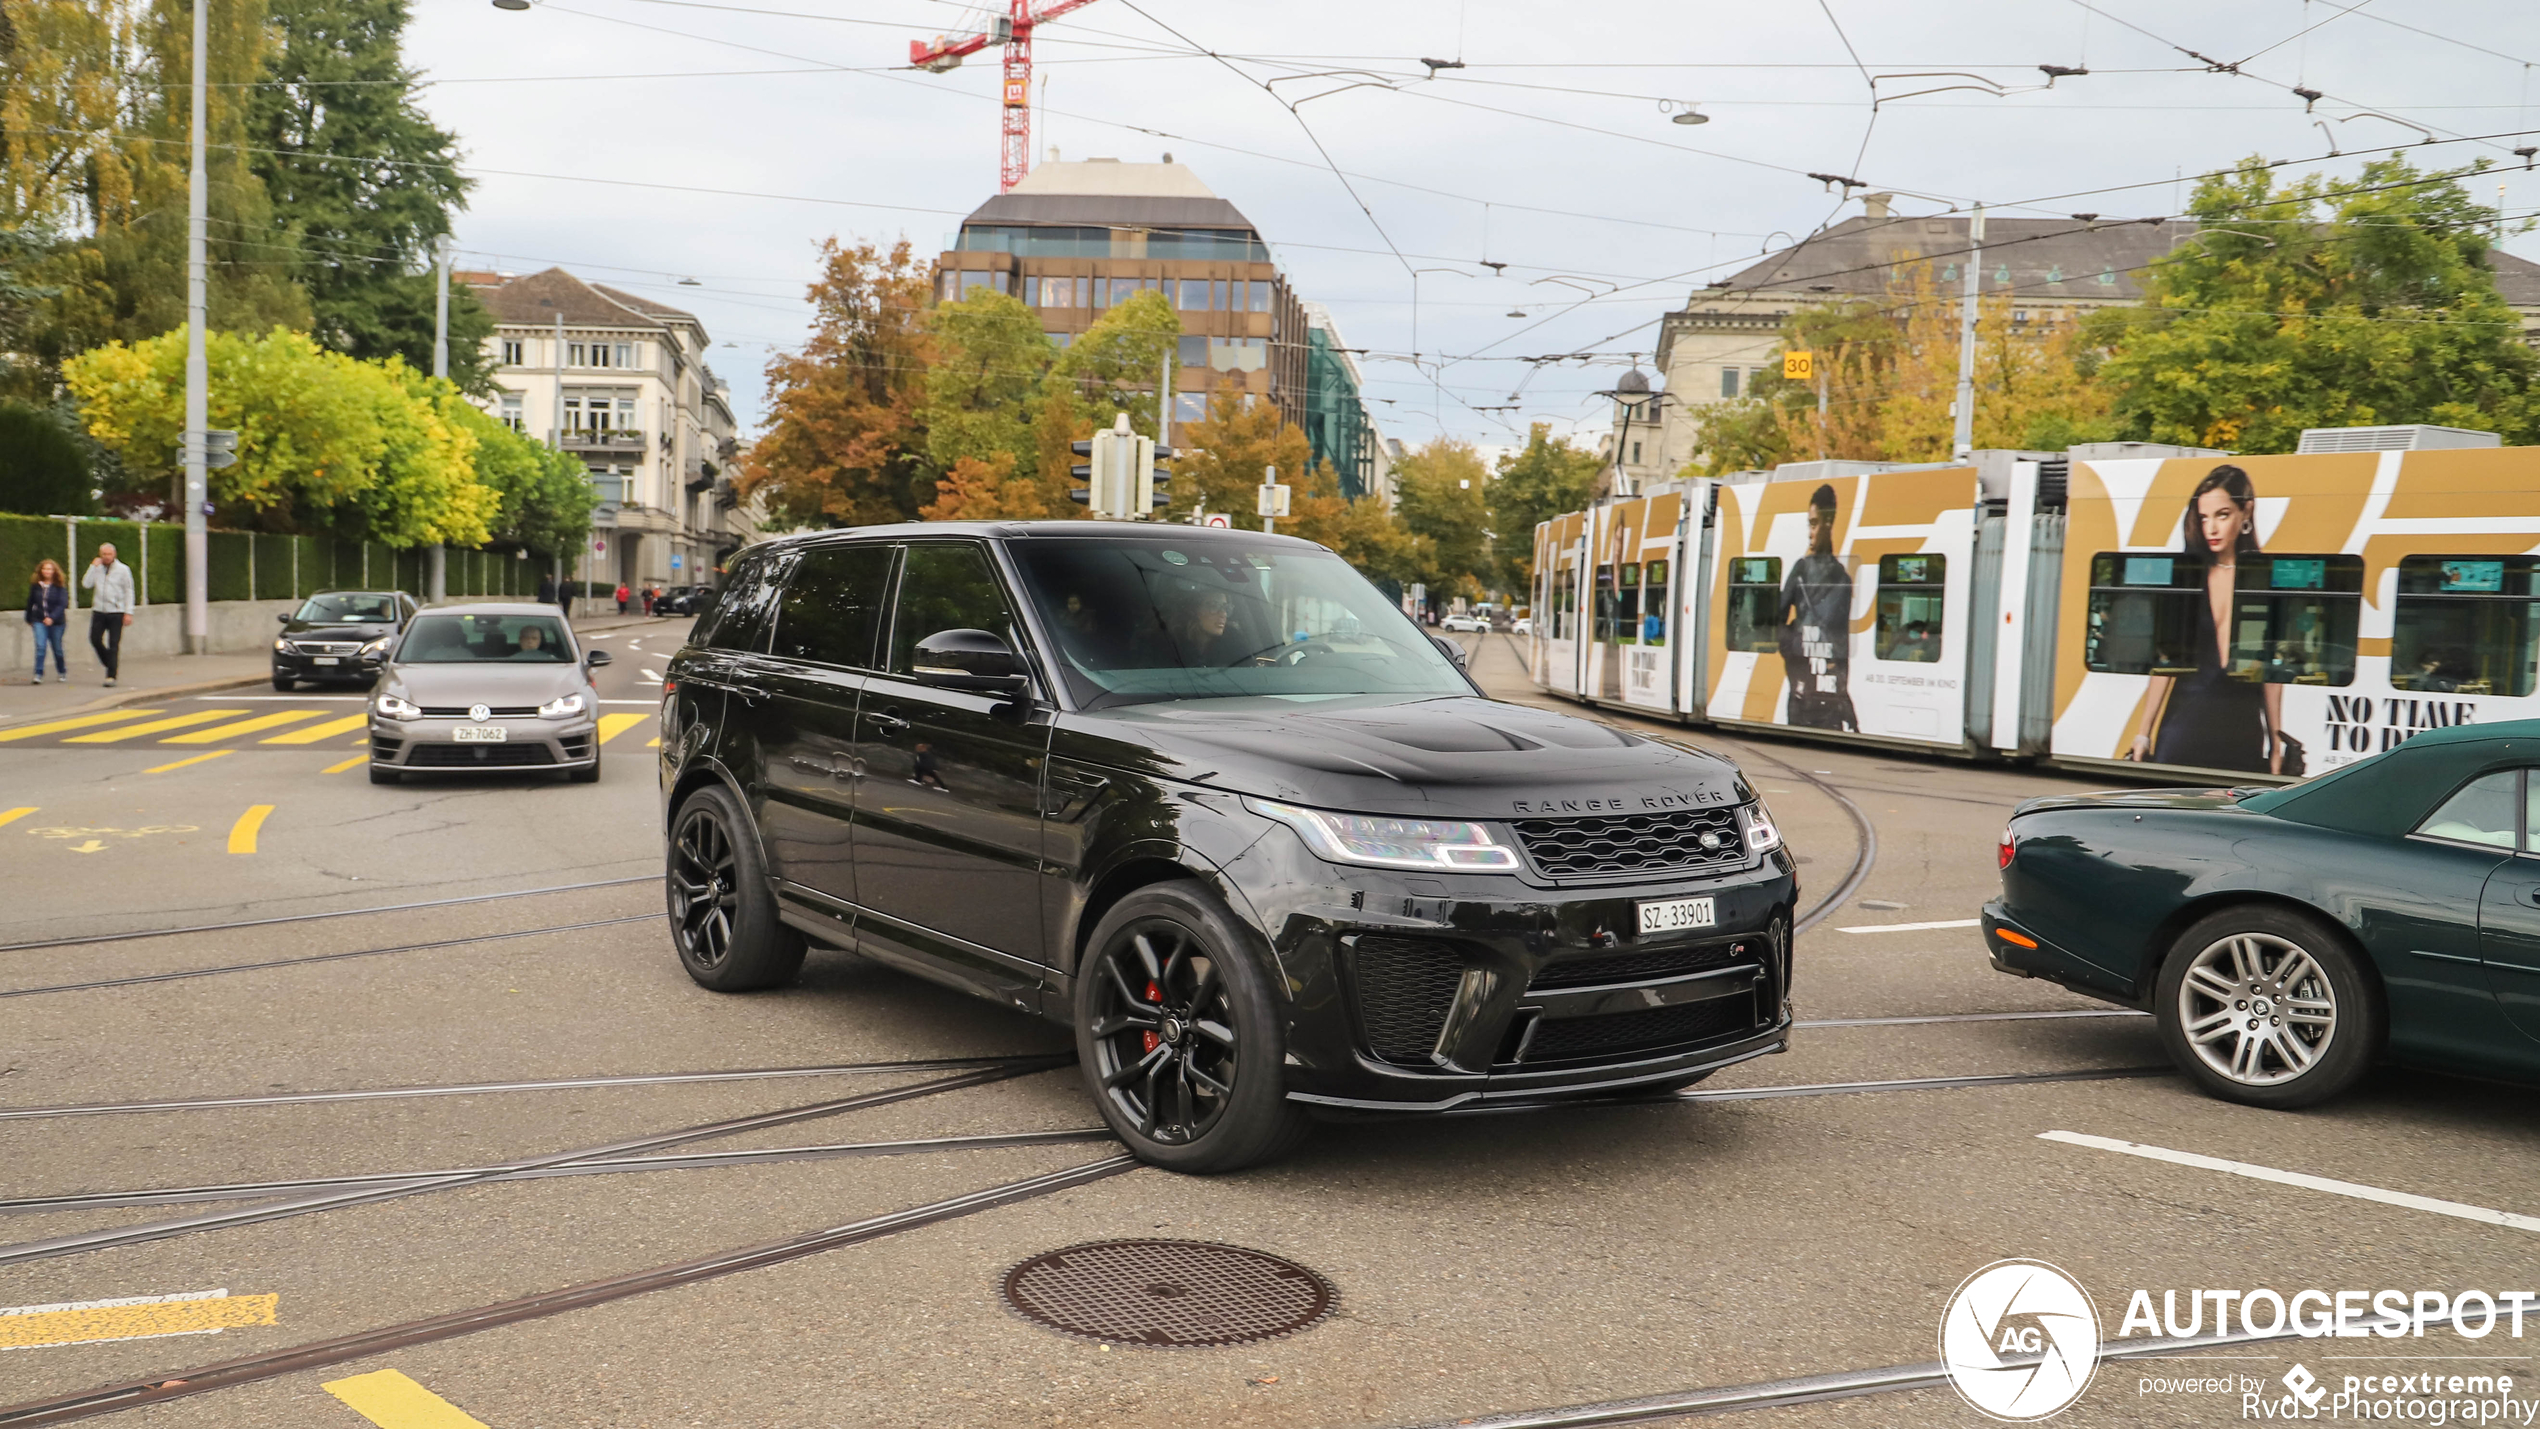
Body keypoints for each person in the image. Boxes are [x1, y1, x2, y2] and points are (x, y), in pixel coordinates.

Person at [2130, 463, 2282, 774]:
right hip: (2184, 727)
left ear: (2246, 511)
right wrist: (2143, 733)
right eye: (2203, 517)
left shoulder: (2265, 581)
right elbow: (2166, 662)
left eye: (2222, 515)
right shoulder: (2187, 578)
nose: (2210, 528)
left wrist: (2276, 741)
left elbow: (2272, 673)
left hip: (2243, 730)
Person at [1777, 484, 1858, 731]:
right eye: (1809, 525)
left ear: (1829, 522)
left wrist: (1793, 645)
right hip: (1831, 696)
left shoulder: (1802, 570)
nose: (1810, 533)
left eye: (1813, 524)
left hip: (1803, 695)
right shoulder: (1843, 578)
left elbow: (1775, 622)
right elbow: (1841, 647)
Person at [81, 543, 135, 687]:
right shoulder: (97, 569)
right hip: (99, 610)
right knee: (95, 639)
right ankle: (109, 662)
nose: (106, 557)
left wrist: (128, 612)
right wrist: (92, 567)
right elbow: (86, 584)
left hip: (116, 611)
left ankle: (111, 675)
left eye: (109, 554)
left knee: (113, 643)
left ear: (114, 555)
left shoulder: (123, 570)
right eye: (104, 554)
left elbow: (129, 590)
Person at [24, 559, 69, 682]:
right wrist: (28, 617)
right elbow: (30, 602)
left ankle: (61, 671)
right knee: (40, 646)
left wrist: (52, 618)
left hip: (57, 622)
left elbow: (62, 604)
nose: (46, 571)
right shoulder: (36, 586)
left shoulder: (60, 587)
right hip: (39, 619)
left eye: (49, 569)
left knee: (57, 648)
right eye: (44, 569)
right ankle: (38, 673)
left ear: (54, 571)